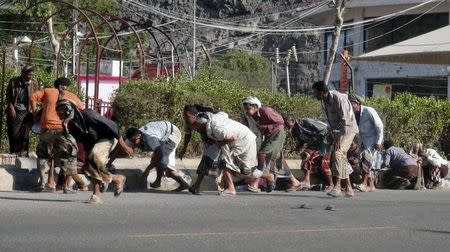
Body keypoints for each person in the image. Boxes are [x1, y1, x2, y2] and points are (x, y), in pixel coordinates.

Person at [56, 99, 130, 204]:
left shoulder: (88, 114)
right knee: (90, 165)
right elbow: (84, 142)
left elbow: (113, 127)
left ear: (69, 108)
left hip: (107, 137)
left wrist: (124, 146)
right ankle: (99, 193)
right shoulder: (71, 125)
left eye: (61, 110)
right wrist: (87, 160)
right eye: (57, 111)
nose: (59, 114)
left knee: (95, 155)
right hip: (94, 143)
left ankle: (113, 180)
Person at [30, 77, 83, 192]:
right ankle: (66, 186)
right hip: (63, 130)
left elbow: (32, 97)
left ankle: (42, 183)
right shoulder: (71, 95)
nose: (67, 88)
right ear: (62, 86)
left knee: (43, 155)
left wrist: (35, 114)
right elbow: (81, 107)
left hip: (46, 129)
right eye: (66, 86)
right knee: (69, 156)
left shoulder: (47, 91)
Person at [242, 97, 301, 193]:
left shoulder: (266, 111)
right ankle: (295, 182)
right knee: (278, 160)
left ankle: (259, 182)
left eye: (248, 108)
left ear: (256, 106)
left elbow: (281, 122)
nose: (247, 111)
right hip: (267, 136)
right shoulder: (249, 116)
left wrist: (266, 127)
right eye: (245, 109)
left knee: (262, 154)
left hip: (277, 134)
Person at [192, 111, 259, 196]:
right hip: (243, 138)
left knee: (240, 168)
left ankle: (231, 189)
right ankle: (229, 187)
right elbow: (224, 114)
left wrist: (221, 143)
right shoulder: (213, 120)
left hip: (244, 140)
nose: (196, 128)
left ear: (202, 124)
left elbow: (232, 137)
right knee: (235, 166)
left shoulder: (217, 128)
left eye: (197, 125)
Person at [312, 81, 359, 197]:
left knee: (338, 153)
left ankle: (337, 186)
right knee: (340, 157)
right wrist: (332, 135)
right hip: (337, 131)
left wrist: (339, 138)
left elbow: (346, 120)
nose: (314, 95)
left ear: (322, 92)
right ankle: (348, 188)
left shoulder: (339, 98)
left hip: (348, 128)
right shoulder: (324, 102)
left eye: (315, 93)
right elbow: (330, 121)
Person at [125, 121, 191, 192]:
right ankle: (158, 182)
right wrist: (110, 162)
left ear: (139, 136)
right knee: (156, 159)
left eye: (135, 141)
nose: (134, 144)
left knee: (166, 167)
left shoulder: (150, 137)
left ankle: (183, 184)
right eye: (132, 141)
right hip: (164, 134)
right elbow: (121, 145)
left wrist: (148, 169)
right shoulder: (136, 135)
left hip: (172, 135)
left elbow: (159, 154)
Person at [180, 105, 226, 195]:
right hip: (210, 142)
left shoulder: (203, 119)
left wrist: (212, 139)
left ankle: (198, 185)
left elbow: (215, 129)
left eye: (187, 117)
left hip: (218, 140)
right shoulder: (188, 123)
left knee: (217, 162)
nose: (185, 119)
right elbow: (187, 135)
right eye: (184, 117)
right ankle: (197, 185)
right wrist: (184, 149)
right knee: (207, 161)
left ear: (194, 116)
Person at [284, 115, 333, 191]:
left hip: (325, 140)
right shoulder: (295, 130)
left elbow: (324, 129)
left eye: (287, 123)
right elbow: (302, 141)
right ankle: (307, 181)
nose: (286, 125)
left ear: (293, 121)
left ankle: (331, 184)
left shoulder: (306, 122)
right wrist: (296, 149)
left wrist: (314, 138)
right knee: (306, 155)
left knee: (324, 163)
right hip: (314, 143)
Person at [348, 93, 383, 192]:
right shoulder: (352, 114)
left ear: (357, 103)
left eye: (351, 103)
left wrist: (379, 141)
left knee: (366, 159)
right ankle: (371, 185)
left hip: (373, 139)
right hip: (362, 140)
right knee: (363, 162)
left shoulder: (369, 111)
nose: (350, 106)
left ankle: (364, 183)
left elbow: (379, 126)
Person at [6, 65, 38, 156]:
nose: (30, 77)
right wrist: (11, 108)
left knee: (25, 133)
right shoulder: (14, 82)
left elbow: (35, 97)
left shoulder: (34, 83)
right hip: (16, 109)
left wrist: (33, 109)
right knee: (14, 132)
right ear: (23, 74)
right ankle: (14, 151)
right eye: (28, 75)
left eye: (32, 75)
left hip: (28, 110)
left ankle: (23, 152)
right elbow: (8, 97)